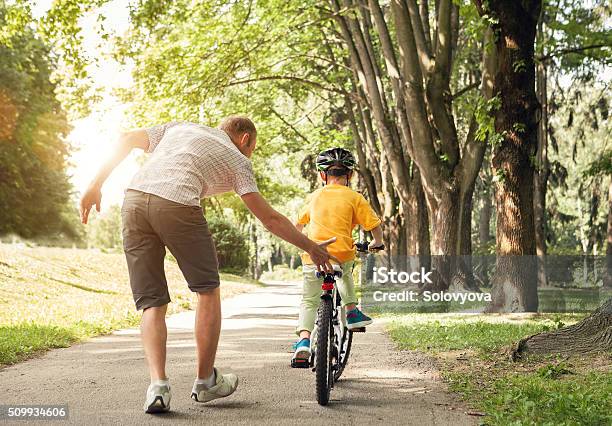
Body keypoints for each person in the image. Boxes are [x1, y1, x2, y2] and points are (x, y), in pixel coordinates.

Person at [79, 116, 337, 413]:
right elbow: (270, 218)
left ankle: (158, 386)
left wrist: (95, 185)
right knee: (207, 290)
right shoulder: (239, 159)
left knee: (151, 302)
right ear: (245, 139)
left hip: (134, 203)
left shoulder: (179, 127)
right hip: (177, 204)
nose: (250, 153)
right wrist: (311, 248)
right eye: (253, 147)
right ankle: (205, 381)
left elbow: (125, 138)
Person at [291, 147, 383, 364]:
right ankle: (351, 311)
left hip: (313, 255)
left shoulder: (314, 196)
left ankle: (304, 341)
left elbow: (297, 225)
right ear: (349, 175)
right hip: (341, 253)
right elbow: (374, 225)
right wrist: (377, 242)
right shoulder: (355, 197)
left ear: (323, 175)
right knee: (346, 274)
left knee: (309, 300)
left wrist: (301, 243)